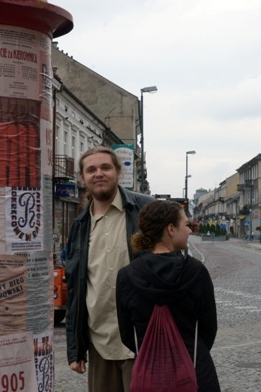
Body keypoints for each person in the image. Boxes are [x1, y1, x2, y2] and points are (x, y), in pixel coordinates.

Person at [64, 147, 153, 392]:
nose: (98, 174)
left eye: (105, 167)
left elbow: (172, 267)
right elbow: (75, 288)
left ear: (117, 171)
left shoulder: (144, 210)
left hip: (142, 340)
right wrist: (76, 347)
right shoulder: (80, 225)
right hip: (100, 341)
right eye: (91, 170)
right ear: (82, 177)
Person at [116, 199, 220, 391]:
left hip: (150, 375)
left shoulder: (127, 275)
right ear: (171, 229)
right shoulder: (196, 272)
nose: (190, 230)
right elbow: (208, 328)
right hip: (195, 371)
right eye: (186, 225)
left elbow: (127, 334)